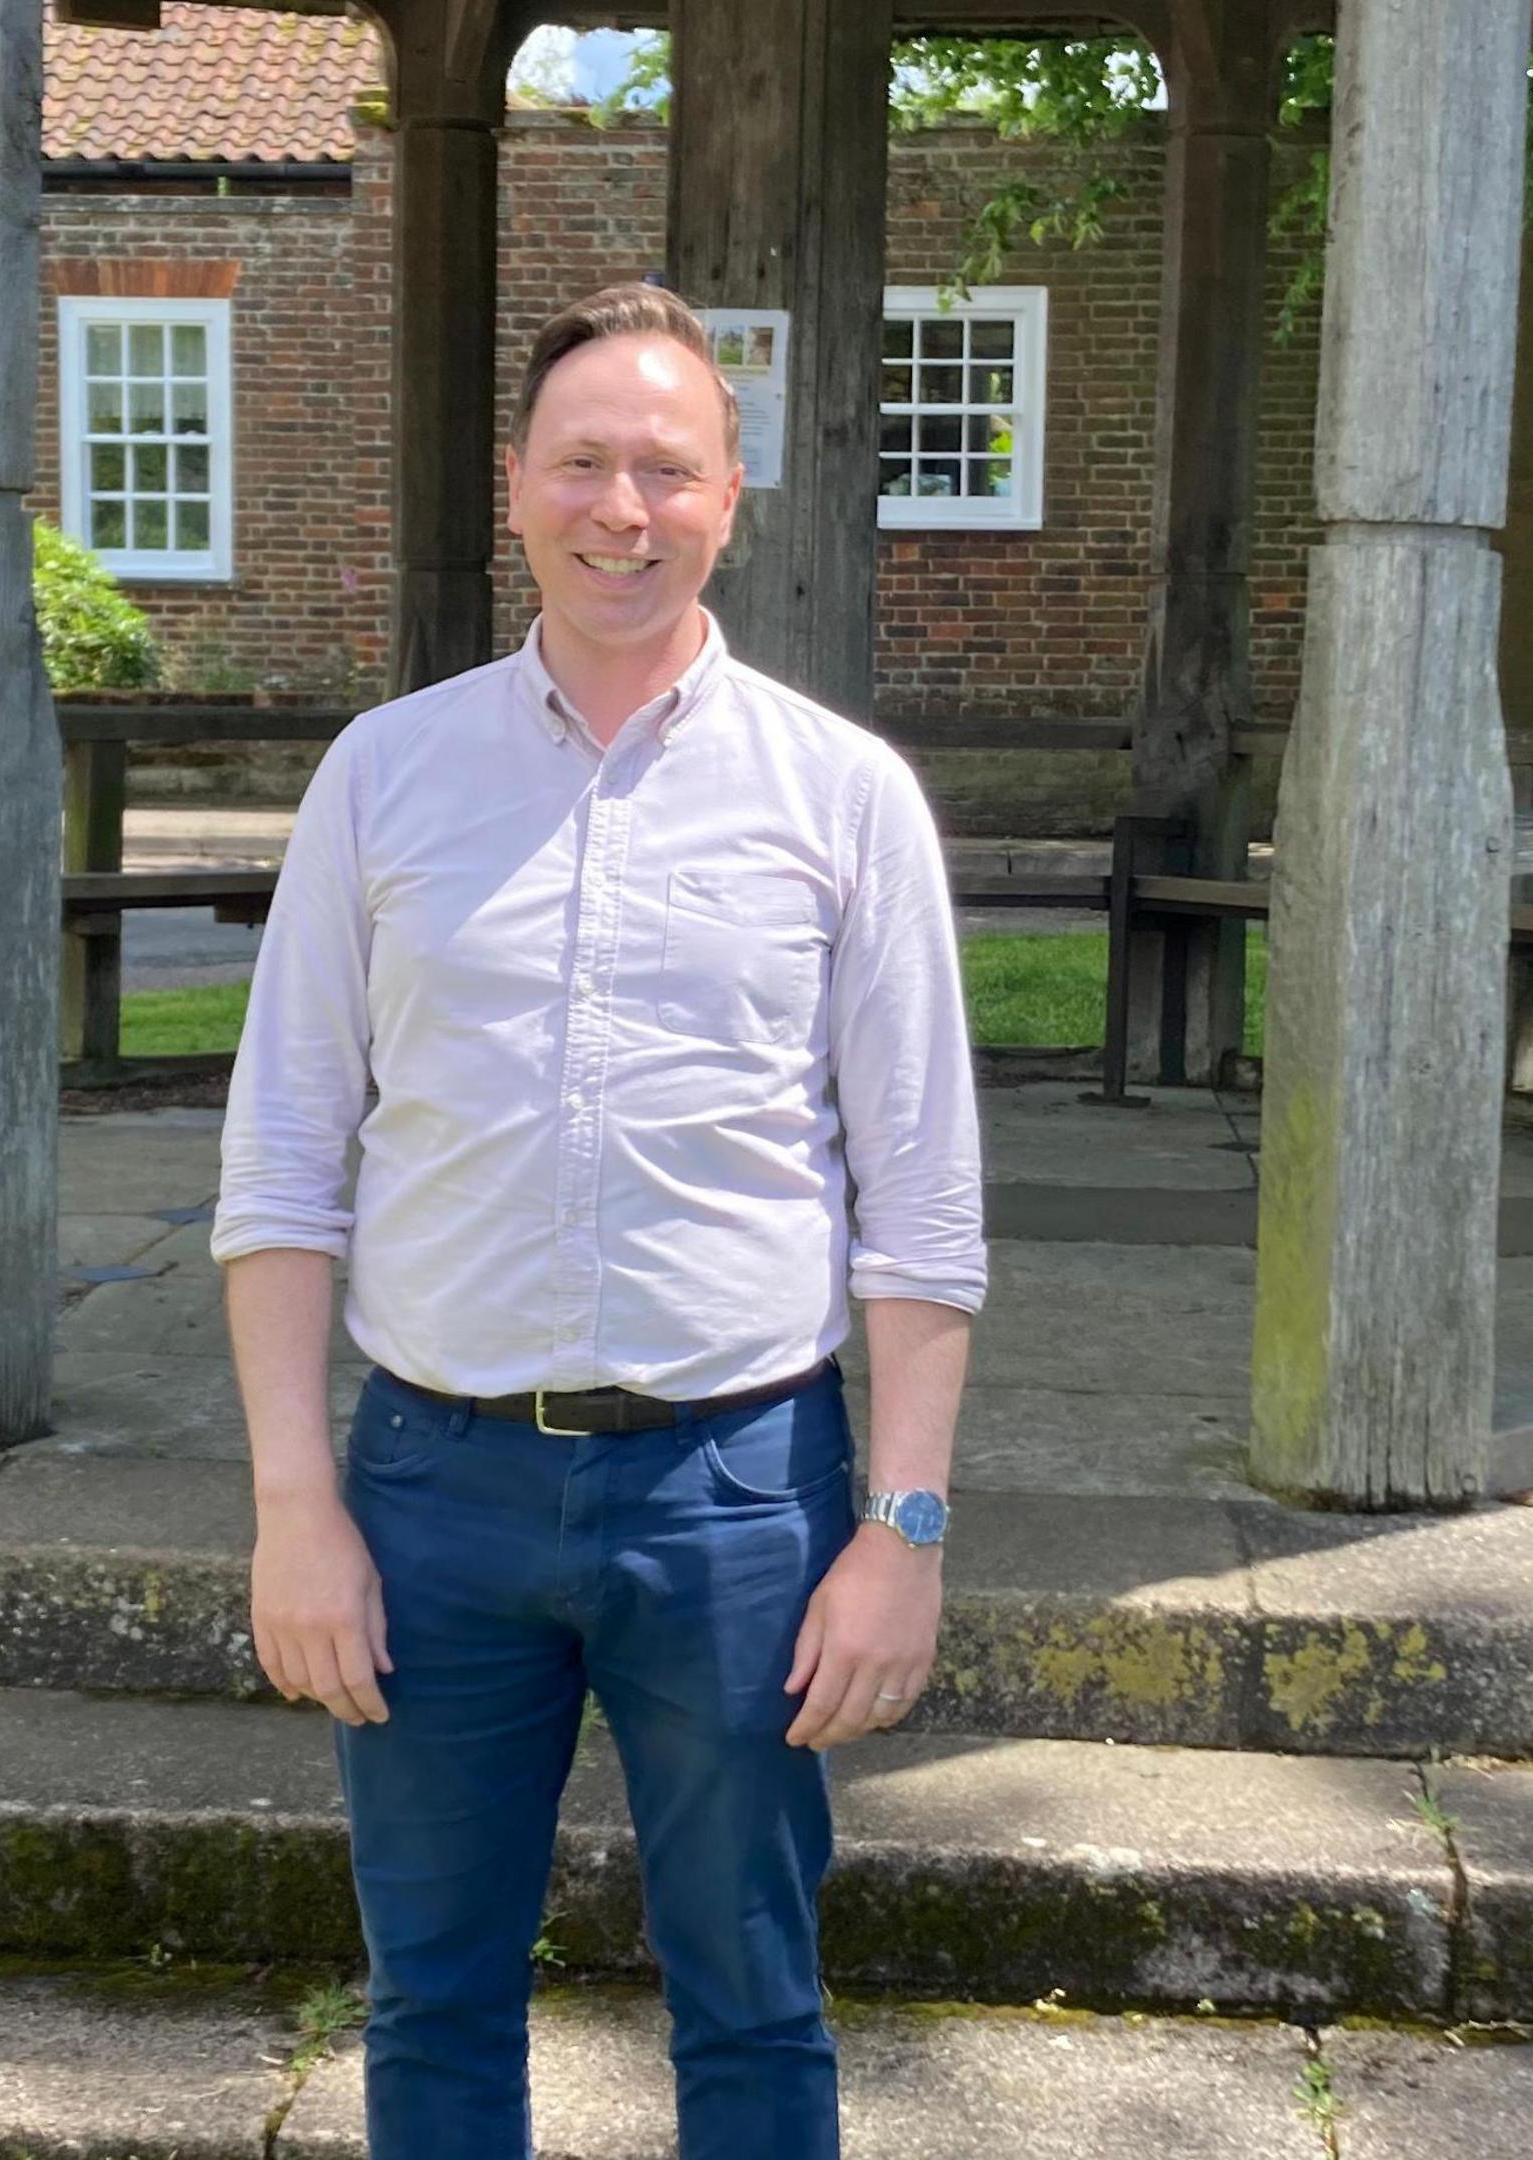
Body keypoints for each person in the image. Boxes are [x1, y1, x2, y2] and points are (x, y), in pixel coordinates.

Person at [209, 281, 986, 2160]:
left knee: (752, 2002)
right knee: (437, 1997)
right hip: (429, 1493)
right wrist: (295, 1509)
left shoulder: (843, 796)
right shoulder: (384, 777)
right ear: (514, 486)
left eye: (665, 467)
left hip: (742, 1501)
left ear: (733, 497)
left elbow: (924, 1202)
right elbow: (282, 1168)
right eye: (582, 463)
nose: (618, 508)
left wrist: (905, 1531)